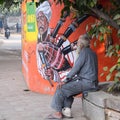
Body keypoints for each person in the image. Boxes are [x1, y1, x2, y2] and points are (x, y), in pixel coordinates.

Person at [46, 34, 98, 119]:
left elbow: (75, 69)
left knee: (61, 88)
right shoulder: (92, 52)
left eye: (77, 43)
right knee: (68, 88)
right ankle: (67, 111)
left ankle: (57, 113)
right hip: (92, 83)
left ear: (81, 44)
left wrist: (65, 80)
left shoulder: (84, 52)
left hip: (86, 83)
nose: (76, 44)